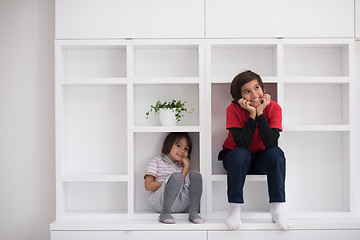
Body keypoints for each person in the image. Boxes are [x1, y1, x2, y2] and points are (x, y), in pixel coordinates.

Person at [218, 70, 289, 230]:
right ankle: (234, 210)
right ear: (239, 97)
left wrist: (261, 113)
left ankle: (277, 210)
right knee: (241, 153)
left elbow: (271, 142)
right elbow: (242, 143)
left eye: (257, 87)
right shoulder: (233, 109)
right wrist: (252, 114)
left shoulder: (274, 108)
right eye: (247, 91)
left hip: (259, 159)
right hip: (235, 157)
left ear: (263, 88)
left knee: (277, 153)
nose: (254, 94)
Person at [144, 132, 204, 224]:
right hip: (161, 201)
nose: (182, 151)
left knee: (195, 175)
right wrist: (168, 184)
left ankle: (193, 212)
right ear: (169, 144)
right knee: (176, 177)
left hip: (179, 202)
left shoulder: (182, 166)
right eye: (179, 145)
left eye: (186, 148)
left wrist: (187, 166)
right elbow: (148, 186)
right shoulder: (157, 161)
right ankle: (165, 213)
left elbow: (182, 184)